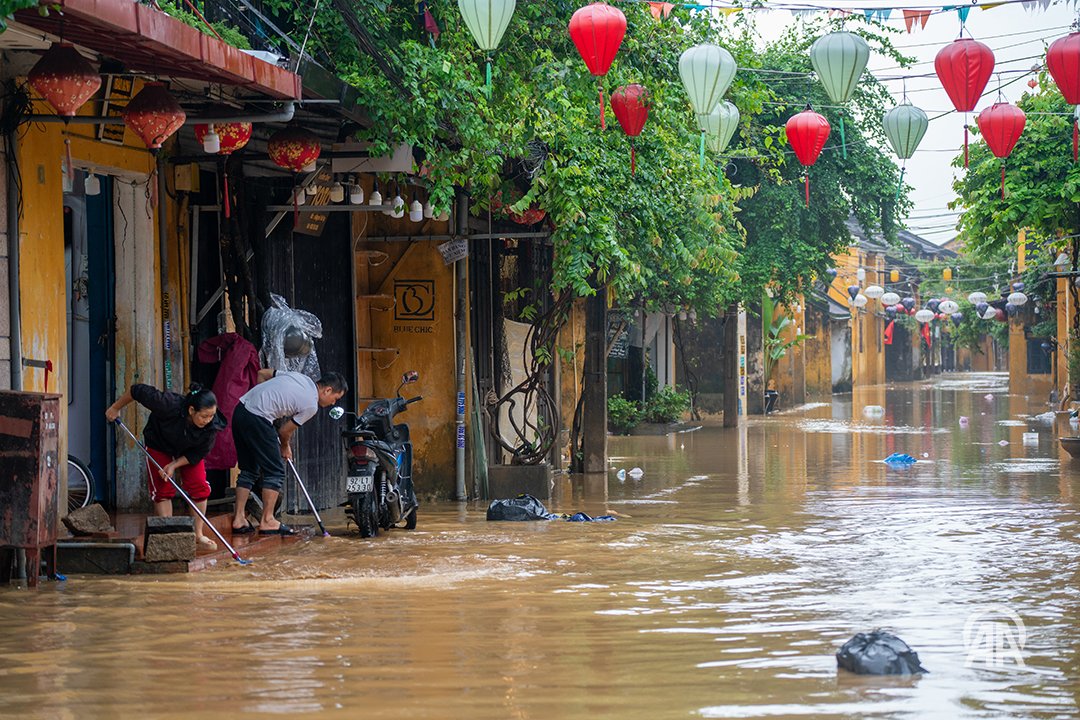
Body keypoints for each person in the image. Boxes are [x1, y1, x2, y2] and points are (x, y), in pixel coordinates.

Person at [105, 384, 226, 550]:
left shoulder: (211, 427)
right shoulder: (167, 404)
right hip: (159, 443)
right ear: (191, 410)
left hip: (189, 451)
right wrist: (115, 407)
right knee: (163, 489)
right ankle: (167, 536)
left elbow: (197, 455)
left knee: (199, 486)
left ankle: (198, 534)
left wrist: (174, 465)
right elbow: (136, 391)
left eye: (211, 415)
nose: (208, 420)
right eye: (204, 416)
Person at [231, 370, 347, 535]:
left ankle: (239, 519)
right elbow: (285, 431)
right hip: (259, 419)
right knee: (275, 471)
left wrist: (263, 400)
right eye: (335, 398)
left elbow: (262, 373)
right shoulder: (311, 405)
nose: (333, 403)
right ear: (327, 390)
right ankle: (267, 520)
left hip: (241, 411)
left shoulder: (301, 377)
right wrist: (285, 447)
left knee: (249, 469)